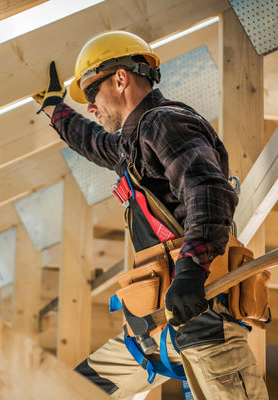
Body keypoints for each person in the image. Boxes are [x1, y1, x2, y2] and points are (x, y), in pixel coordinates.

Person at [34, 30, 268, 399]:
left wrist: (191, 272)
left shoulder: (164, 123)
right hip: (156, 333)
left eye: (91, 93)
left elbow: (207, 192)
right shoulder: (132, 143)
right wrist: (54, 109)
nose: (90, 106)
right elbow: (92, 141)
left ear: (121, 78)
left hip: (205, 330)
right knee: (66, 391)